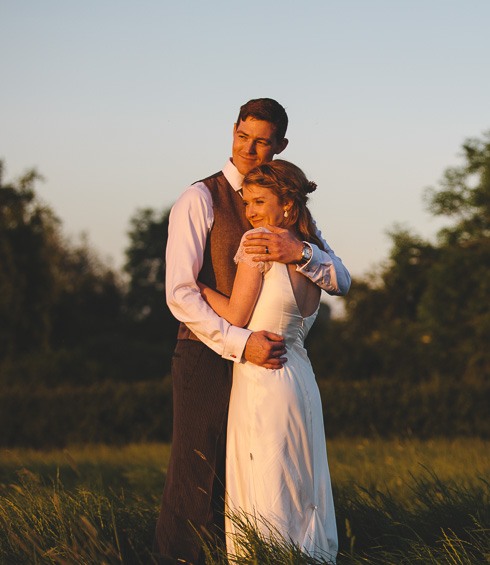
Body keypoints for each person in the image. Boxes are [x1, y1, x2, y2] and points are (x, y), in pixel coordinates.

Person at [154, 98, 349, 565]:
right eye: (243, 137)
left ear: (280, 145)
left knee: (254, 472)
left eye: (262, 141)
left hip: (270, 358)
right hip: (206, 353)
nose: (249, 149)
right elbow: (180, 294)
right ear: (233, 133)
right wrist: (244, 345)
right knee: (196, 478)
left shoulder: (287, 205)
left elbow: (338, 275)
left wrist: (299, 251)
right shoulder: (199, 197)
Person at [198, 159, 338, 561]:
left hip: (263, 379)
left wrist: (198, 289)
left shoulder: (258, 244)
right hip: (300, 378)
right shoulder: (312, 253)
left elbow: (237, 317)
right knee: (301, 482)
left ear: (289, 205)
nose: (251, 212)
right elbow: (341, 280)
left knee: (265, 481)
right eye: (247, 203)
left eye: (260, 201)